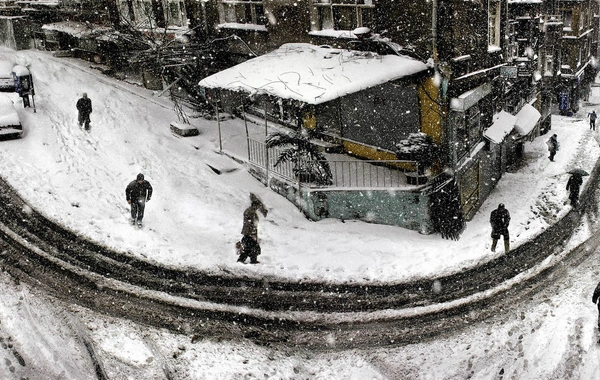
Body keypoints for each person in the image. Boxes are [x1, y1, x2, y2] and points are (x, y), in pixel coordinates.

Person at [237, 193, 268, 264]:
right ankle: (249, 261)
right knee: (253, 248)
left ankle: (244, 261)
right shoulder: (248, 212)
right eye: (256, 206)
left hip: (248, 235)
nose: (257, 208)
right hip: (247, 235)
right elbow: (249, 219)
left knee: (250, 249)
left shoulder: (252, 213)